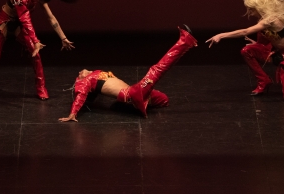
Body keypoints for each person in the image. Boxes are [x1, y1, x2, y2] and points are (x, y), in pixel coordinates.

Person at [58, 25, 197, 122]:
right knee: (157, 69)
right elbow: (80, 94)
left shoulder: (96, 74)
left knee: (164, 99)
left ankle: (140, 104)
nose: (79, 72)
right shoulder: (86, 80)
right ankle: (185, 41)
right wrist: (73, 113)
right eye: (78, 76)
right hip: (133, 93)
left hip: (134, 92)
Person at [0, 0, 80, 100]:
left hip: (19, 25)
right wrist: (36, 41)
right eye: (38, 0)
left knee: (36, 55)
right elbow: (26, 21)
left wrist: (63, 38)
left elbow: (50, 17)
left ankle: (41, 87)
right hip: (5, 21)